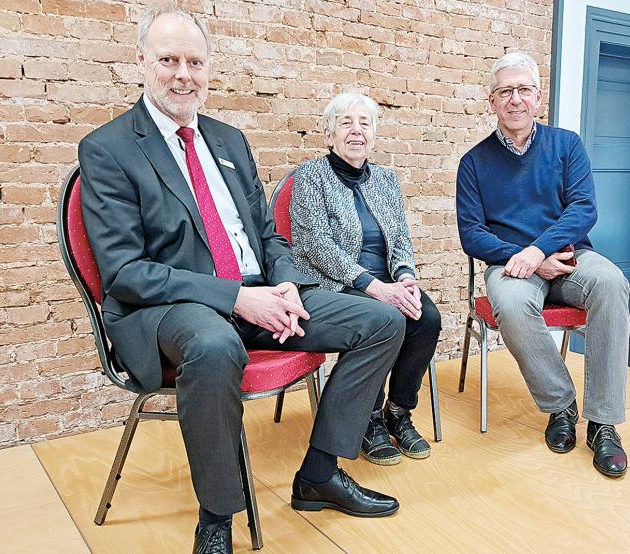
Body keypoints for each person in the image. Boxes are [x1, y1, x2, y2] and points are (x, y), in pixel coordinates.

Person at [78, 7, 404, 553]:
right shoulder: (108, 149)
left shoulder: (229, 141)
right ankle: (217, 515)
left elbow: (267, 238)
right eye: (168, 60)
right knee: (213, 345)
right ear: (141, 62)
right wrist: (237, 298)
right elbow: (126, 272)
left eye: (195, 62)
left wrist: (287, 285)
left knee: (382, 320)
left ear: (208, 69)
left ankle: (319, 474)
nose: (183, 74)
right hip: (172, 305)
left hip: (258, 293)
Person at [456, 52, 629, 478]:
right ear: (491, 100)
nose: (515, 99)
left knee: (610, 282)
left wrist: (541, 251)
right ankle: (561, 405)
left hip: (570, 258)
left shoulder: (566, 145)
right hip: (510, 265)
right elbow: (471, 234)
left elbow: (583, 208)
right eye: (505, 91)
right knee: (511, 304)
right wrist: (529, 259)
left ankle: (603, 422)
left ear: (538, 98)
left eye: (524, 90)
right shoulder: (473, 163)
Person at [289, 93, 442, 466]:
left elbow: (401, 238)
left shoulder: (386, 180)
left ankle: (398, 411)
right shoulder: (310, 176)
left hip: (387, 280)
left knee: (427, 318)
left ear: (374, 134)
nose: (357, 131)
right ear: (328, 134)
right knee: (383, 319)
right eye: (346, 123)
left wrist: (404, 277)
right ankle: (368, 417)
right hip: (335, 285)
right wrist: (374, 287)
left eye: (365, 123)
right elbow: (316, 245)